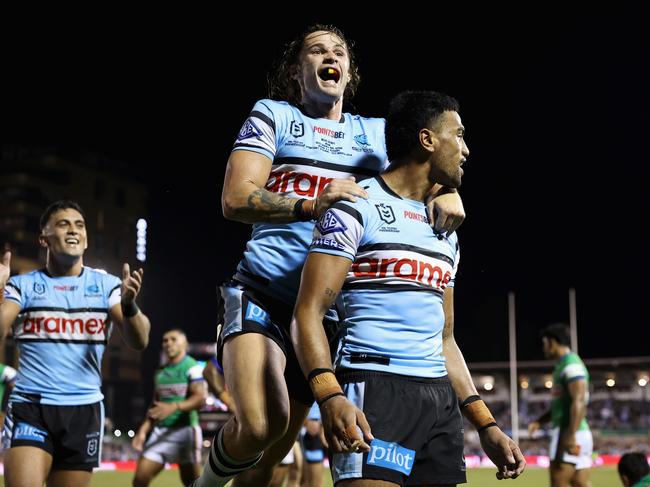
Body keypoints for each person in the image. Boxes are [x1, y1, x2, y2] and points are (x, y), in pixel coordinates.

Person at [192, 24, 466, 487]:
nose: (329, 56)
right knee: (261, 425)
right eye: (316, 50)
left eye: (338, 51)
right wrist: (310, 203)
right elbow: (235, 199)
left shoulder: (376, 134)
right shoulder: (272, 116)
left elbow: (425, 168)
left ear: (349, 72)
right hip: (263, 292)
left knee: (269, 460)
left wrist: (451, 192)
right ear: (296, 71)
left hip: (324, 315)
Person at [291, 90, 526, 485]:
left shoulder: (445, 229)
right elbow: (308, 312)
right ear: (427, 140)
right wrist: (330, 396)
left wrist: (486, 424)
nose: (466, 149)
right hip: (374, 389)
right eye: (460, 135)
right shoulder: (356, 207)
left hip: (439, 403)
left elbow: (445, 339)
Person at [0, 199, 151, 487]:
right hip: (31, 407)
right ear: (43, 238)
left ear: (85, 240)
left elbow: (139, 340)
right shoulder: (24, 285)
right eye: (63, 224)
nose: (73, 230)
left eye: (79, 225)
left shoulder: (107, 286)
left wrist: (130, 306)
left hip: (84, 410)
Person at [132, 328, 207, 486]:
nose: (168, 343)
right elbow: (156, 406)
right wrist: (143, 431)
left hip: (185, 432)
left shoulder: (192, 366)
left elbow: (200, 398)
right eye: (165, 340)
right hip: (161, 432)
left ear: (184, 344)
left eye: (173, 339)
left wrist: (174, 406)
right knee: (139, 480)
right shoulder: (160, 372)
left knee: (191, 483)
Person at [528, 323, 592, 487]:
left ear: (551, 342)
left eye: (544, 344)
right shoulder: (562, 366)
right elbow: (562, 404)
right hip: (578, 431)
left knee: (558, 482)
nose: (544, 349)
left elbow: (579, 400)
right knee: (579, 482)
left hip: (569, 432)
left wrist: (570, 434)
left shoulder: (571, 365)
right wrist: (539, 421)